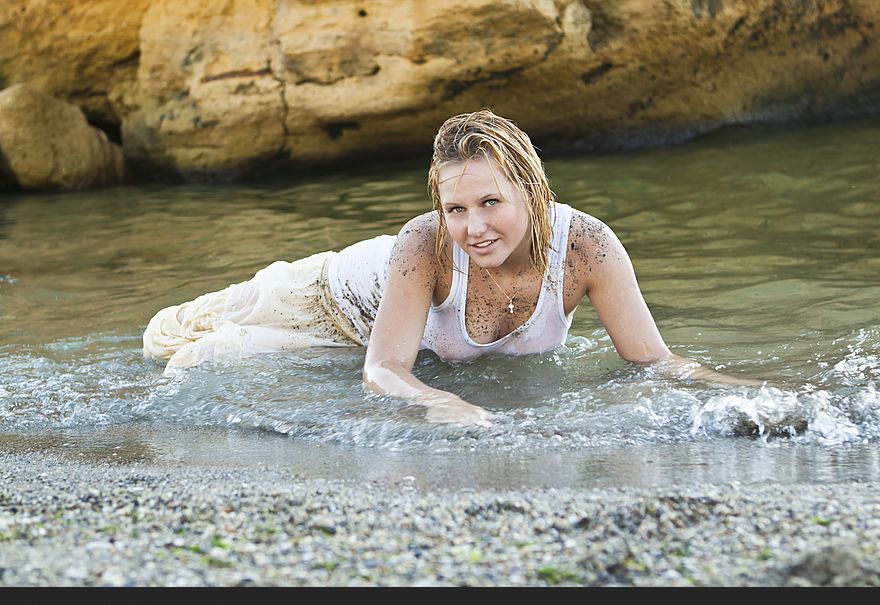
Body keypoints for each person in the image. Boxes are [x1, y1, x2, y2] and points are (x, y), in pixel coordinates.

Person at [144, 109, 753, 426]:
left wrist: (751, 394)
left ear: (533, 192)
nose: (474, 228)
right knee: (165, 343)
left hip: (374, 336)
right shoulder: (424, 244)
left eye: (492, 203)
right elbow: (383, 370)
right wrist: (440, 402)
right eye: (456, 208)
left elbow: (655, 362)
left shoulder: (587, 247)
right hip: (323, 300)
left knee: (210, 354)